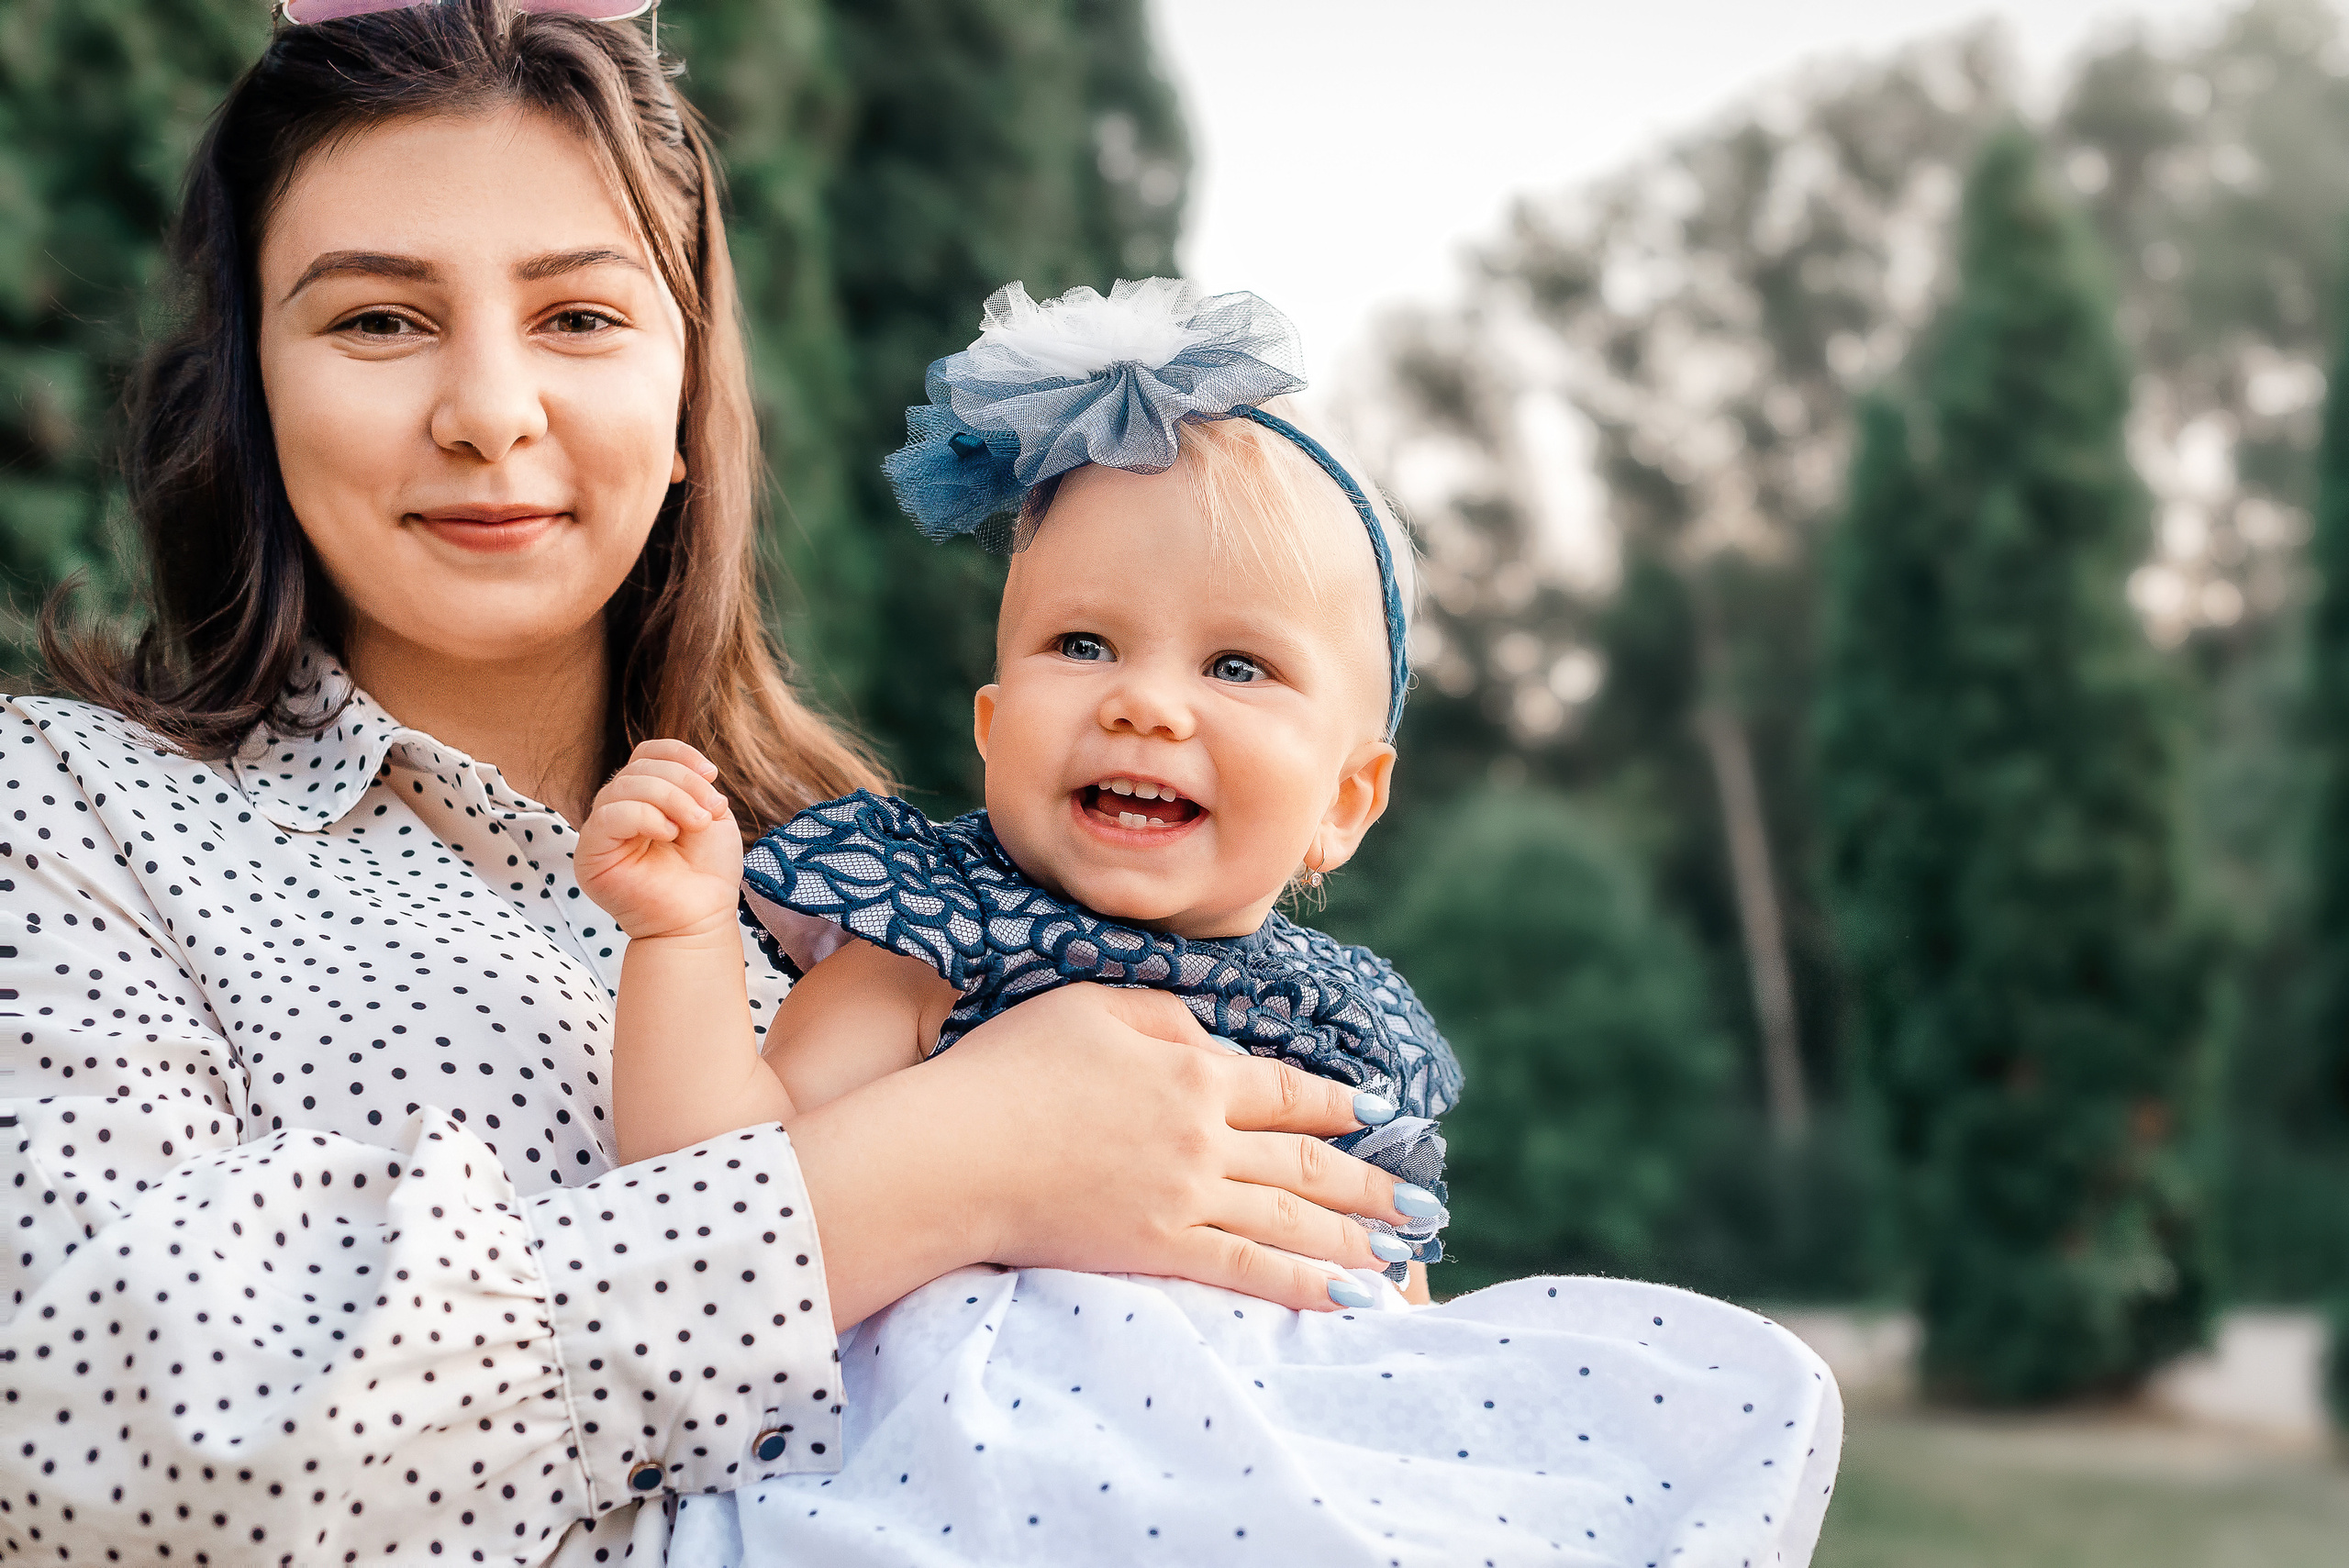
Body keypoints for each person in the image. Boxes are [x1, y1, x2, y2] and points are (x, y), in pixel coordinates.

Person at [0, 7, 1420, 1564]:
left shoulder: (864, 883)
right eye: (377, 323)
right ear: (255, 395)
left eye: (581, 319)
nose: (487, 409)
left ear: (688, 399)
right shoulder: (68, 816)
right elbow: (92, 1432)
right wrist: (950, 1166)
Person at [577, 280, 1844, 1567]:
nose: (1146, 705)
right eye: (1082, 642)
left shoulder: (1332, 1033)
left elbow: (1384, 1324)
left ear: (1347, 800)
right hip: (967, 1481)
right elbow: (717, 1190)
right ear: (992, 725)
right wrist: (677, 939)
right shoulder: (930, 942)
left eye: (1236, 666)